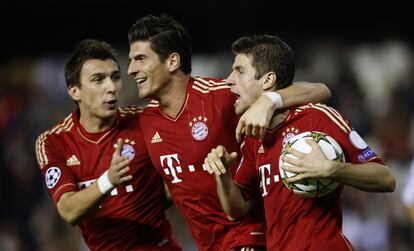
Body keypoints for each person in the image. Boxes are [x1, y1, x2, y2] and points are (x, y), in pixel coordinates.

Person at [127, 14, 331, 251]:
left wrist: (270, 100)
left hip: (253, 238)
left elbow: (321, 90)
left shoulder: (220, 96)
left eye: (140, 58)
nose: (131, 69)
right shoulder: (146, 121)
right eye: (131, 60)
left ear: (173, 61)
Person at [204, 34, 396, 250]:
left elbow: (386, 179)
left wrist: (332, 169)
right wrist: (222, 174)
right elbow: (236, 209)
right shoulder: (253, 138)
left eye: (239, 70)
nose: (229, 79)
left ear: (267, 80)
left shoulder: (317, 117)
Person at [34, 39, 182, 251]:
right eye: (98, 79)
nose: (111, 87)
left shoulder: (144, 121)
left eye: (115, 77)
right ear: (74, 91)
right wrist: (108, 180)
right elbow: (68, 210)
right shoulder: (53, 141)